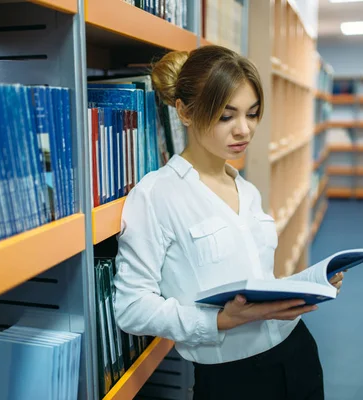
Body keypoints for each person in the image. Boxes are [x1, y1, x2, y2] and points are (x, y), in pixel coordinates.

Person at [113, 45, 344, 400]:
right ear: (185, 113)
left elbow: (256, 278)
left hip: (297, 353)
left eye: (252, 114)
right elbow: (131, 308)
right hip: (231, 378)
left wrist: (302, 287)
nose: (244, 130)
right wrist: (219, 321)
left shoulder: (246, 189)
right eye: (226, 116)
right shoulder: (156, 195)